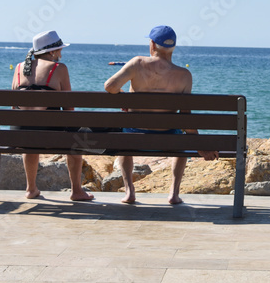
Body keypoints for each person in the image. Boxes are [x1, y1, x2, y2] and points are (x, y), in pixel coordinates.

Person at [104, 25, 218, 205]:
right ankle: (173, 194)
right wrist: (199, 144)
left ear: (152, 44)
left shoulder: (137, 63)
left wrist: (126, 100)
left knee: (124, 136)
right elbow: (186, 118)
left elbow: (110, 87)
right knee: (181, 144)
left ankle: (129, 192)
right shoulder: (184, 75)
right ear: (173, 48)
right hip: (169, 138)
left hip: (133, 137)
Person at [12, 30, 93, 202]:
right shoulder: (59, 69)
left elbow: (14, 107)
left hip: (20, 136)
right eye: (60, 50)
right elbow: (69, 108)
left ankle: (31, 188)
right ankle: (77, 191)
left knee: (30, 132)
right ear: (52, 52)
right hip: (50, 135)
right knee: (76, 139)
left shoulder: (19, 68)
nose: (61, 54)